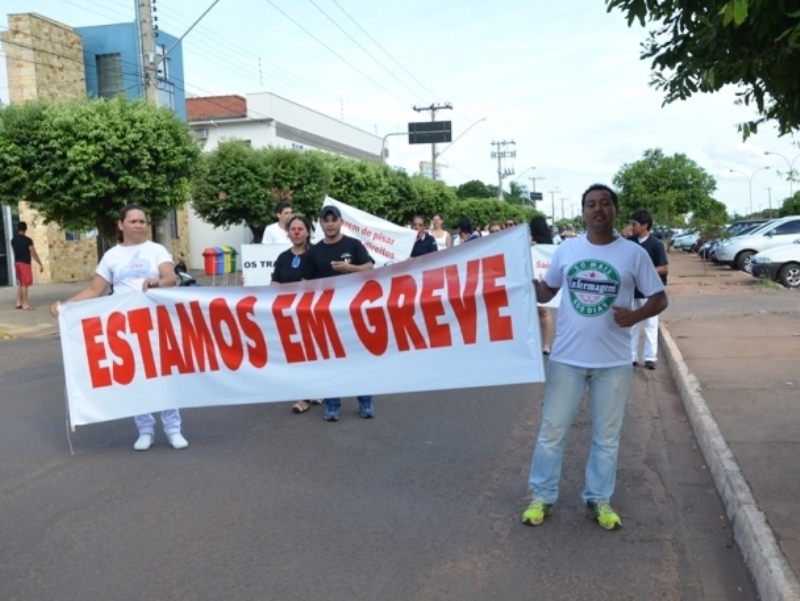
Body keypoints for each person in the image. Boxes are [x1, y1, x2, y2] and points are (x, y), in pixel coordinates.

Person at [522, 184, 668, 531]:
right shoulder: (568, 250)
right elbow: (548, 290)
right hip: (567, 359)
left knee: (607, 437)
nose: (598, 209)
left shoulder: (633, 254)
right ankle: (541, 497)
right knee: (551, 431)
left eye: (605, 203)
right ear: (583, 212)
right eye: (591, 204)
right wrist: (525, 284)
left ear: (616, 211)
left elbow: (659, 299)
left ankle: (598, 499)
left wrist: (634, 316)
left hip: (614, 363)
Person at [50, 204, 188, 452]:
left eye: (142, 222)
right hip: (126, 327)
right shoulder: (111, 256)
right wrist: (65, 306)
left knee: (164, 375)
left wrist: (157, 281)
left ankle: (173, 429)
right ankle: (144, 429)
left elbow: (171, 278)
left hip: (156, 322)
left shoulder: (156, 250)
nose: (138, 226)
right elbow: (95, 289)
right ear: (121, 224)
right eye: (133, 221)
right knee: (136, 378)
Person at [300, 205, 376, 422]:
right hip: (326, 314)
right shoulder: (314, 251)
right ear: (321, 223)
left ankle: (365, 400)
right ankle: (333, 404)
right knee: (331, 361)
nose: (330, 224)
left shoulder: (353, 244)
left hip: (354, 312)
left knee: (359, 358)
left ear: (341, 222)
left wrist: (349, 268)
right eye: (326, 220)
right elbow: (305, 283)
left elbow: (370, 267)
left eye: (334, 220)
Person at [271, 214, 324, 414]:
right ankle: (315, 389)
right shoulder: (283, 258)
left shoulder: (317, 254)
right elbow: (275, 282)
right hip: (289, 313)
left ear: (308, 231)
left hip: (313, 311)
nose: (297, 232)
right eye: (293, 229)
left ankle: (305, 396)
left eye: (301, 229)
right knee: (297, 354)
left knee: (313, 353)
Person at [627, 209, 669, 369]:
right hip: (632, 291)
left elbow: (664, 268)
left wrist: (645, 271)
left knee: (650, 324)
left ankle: (650, 357)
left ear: (645, 226)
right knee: (632, 324)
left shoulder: (656, 244)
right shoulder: (629, 242)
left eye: (634, 224)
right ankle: (631, 356)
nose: (631, 227)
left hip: (651, 292)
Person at [529, 215, 555, 355]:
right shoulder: (527, 242)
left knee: (544, 311)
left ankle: (546, 345)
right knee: (541, 313)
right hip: (530, 279)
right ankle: (544, 344)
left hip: (540, 281)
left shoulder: (548, 245)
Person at [11, 221, 44, 310]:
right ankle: (25, 304)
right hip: (25, 263)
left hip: (17, 262)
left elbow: (14, 252)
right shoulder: (27, 240)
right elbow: (33, 253)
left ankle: (18, 302)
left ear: (18, 229)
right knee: (25, 284)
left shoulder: (13, 240)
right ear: (25, 229)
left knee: (22, 283)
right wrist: (40, 264)